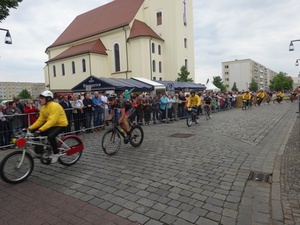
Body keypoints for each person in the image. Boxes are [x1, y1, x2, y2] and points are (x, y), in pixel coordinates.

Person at [28, 91, 68, 163]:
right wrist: (30, 128)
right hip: (52, 125)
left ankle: (56, 153)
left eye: (42, 98)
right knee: (36, 133)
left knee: (51, 136)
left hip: (61, 124)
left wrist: (40, 129)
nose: (40, 100)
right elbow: (40, 120)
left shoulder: (54, 106)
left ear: (48, 98)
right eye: (40, 98)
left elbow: (52, 120)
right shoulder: (43, 107)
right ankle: (46, 149)